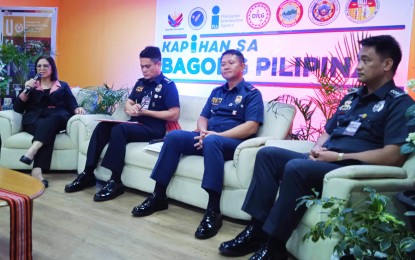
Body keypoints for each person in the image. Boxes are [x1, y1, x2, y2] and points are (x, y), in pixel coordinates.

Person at [218, 35, 415, 260]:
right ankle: (256, 230)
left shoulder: (400, 103)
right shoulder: (352, 98)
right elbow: (328, 132)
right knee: (268, 154)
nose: (358, 66)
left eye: (366, 60)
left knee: (296, 168)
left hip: (349, 167)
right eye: (358, 60)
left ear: (387, 64)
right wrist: (317, 150)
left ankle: (275, 245)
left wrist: (337, 156)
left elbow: (393, 156)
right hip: (326, 159)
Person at [131, 49, 264, 239]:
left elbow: (251, 127)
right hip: (208, 138)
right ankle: (158, 196)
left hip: (232, 143)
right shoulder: (217, 92)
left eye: (231, 63)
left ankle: (213, 211)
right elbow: (203, 116)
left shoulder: (251, 93)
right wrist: (203, 131)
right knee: (174, 137)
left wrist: (215, 135)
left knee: (212, 140)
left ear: (243, 66)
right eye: (223, 63)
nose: (225, 66)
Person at [64, 46, 180, 201]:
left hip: (153, 129)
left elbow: (174, 114)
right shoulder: (141, 83)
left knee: (120, 130)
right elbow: (128, 102)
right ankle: (87, 173)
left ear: (158, 64)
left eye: (147, 66)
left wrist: (146, 112)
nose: (144, 70)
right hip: (136, 124)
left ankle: (115, 181)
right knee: (102, 127)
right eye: (141, 66)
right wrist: (130, 108)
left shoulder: (168, 85)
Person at [14, 55, 86, 188]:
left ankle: (32, 150)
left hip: (57, 118)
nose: (42, 68)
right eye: (39, 66)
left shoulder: (62, 85)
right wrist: (26, 90)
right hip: (34, 120)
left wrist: (77, 109)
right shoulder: (31, 85)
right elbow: (18, 108)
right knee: (47, 130)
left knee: (52, 119)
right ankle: (36, 171)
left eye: (45, 66)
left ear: (52, 68)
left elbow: (72, 104)